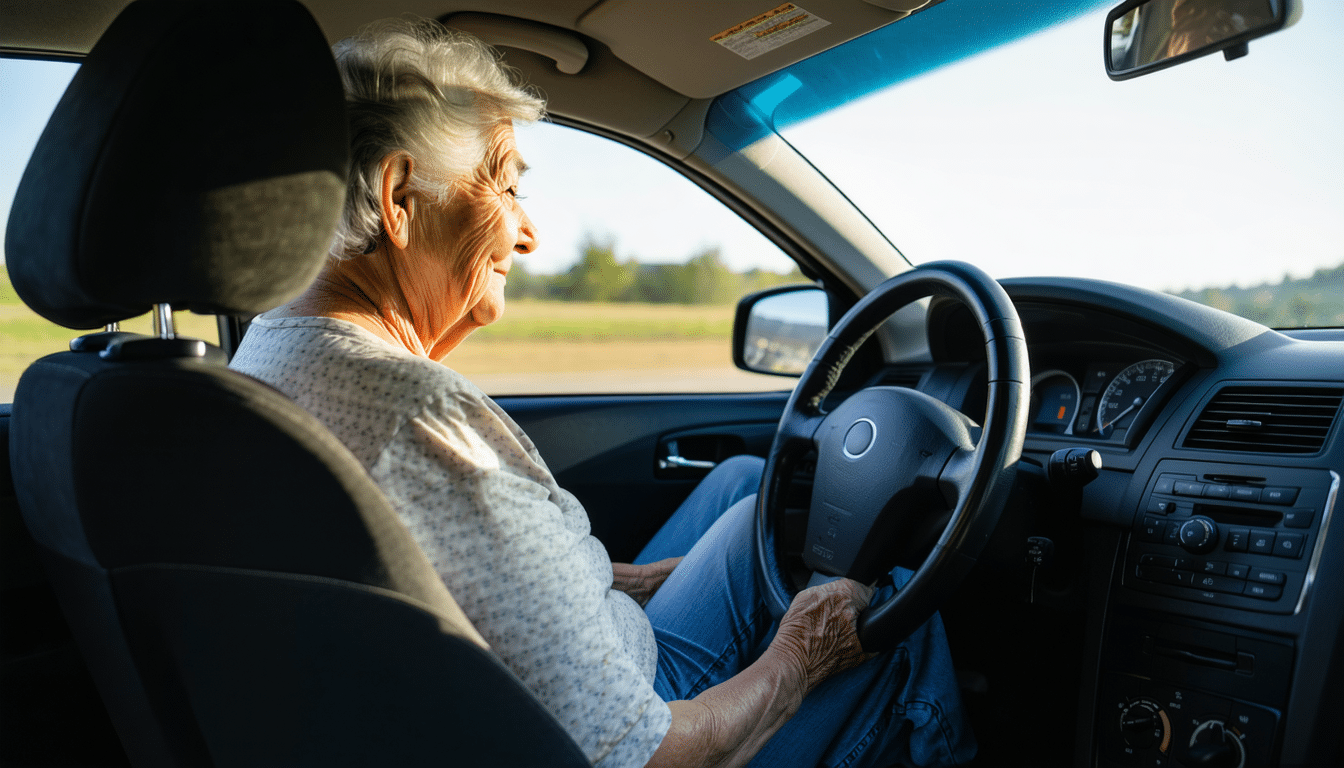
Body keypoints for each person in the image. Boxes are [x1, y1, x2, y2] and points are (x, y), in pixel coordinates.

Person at [229, 17, 974, 768]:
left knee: (748, 493)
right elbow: (638, 755)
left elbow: (454, 578)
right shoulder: (415, 417)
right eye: (506, 184)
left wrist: (632, 580)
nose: (528, 234)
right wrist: (801, 658)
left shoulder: (270, 355)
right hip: (651, 717)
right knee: (886, 600)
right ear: (398, 196)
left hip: (542, 687)